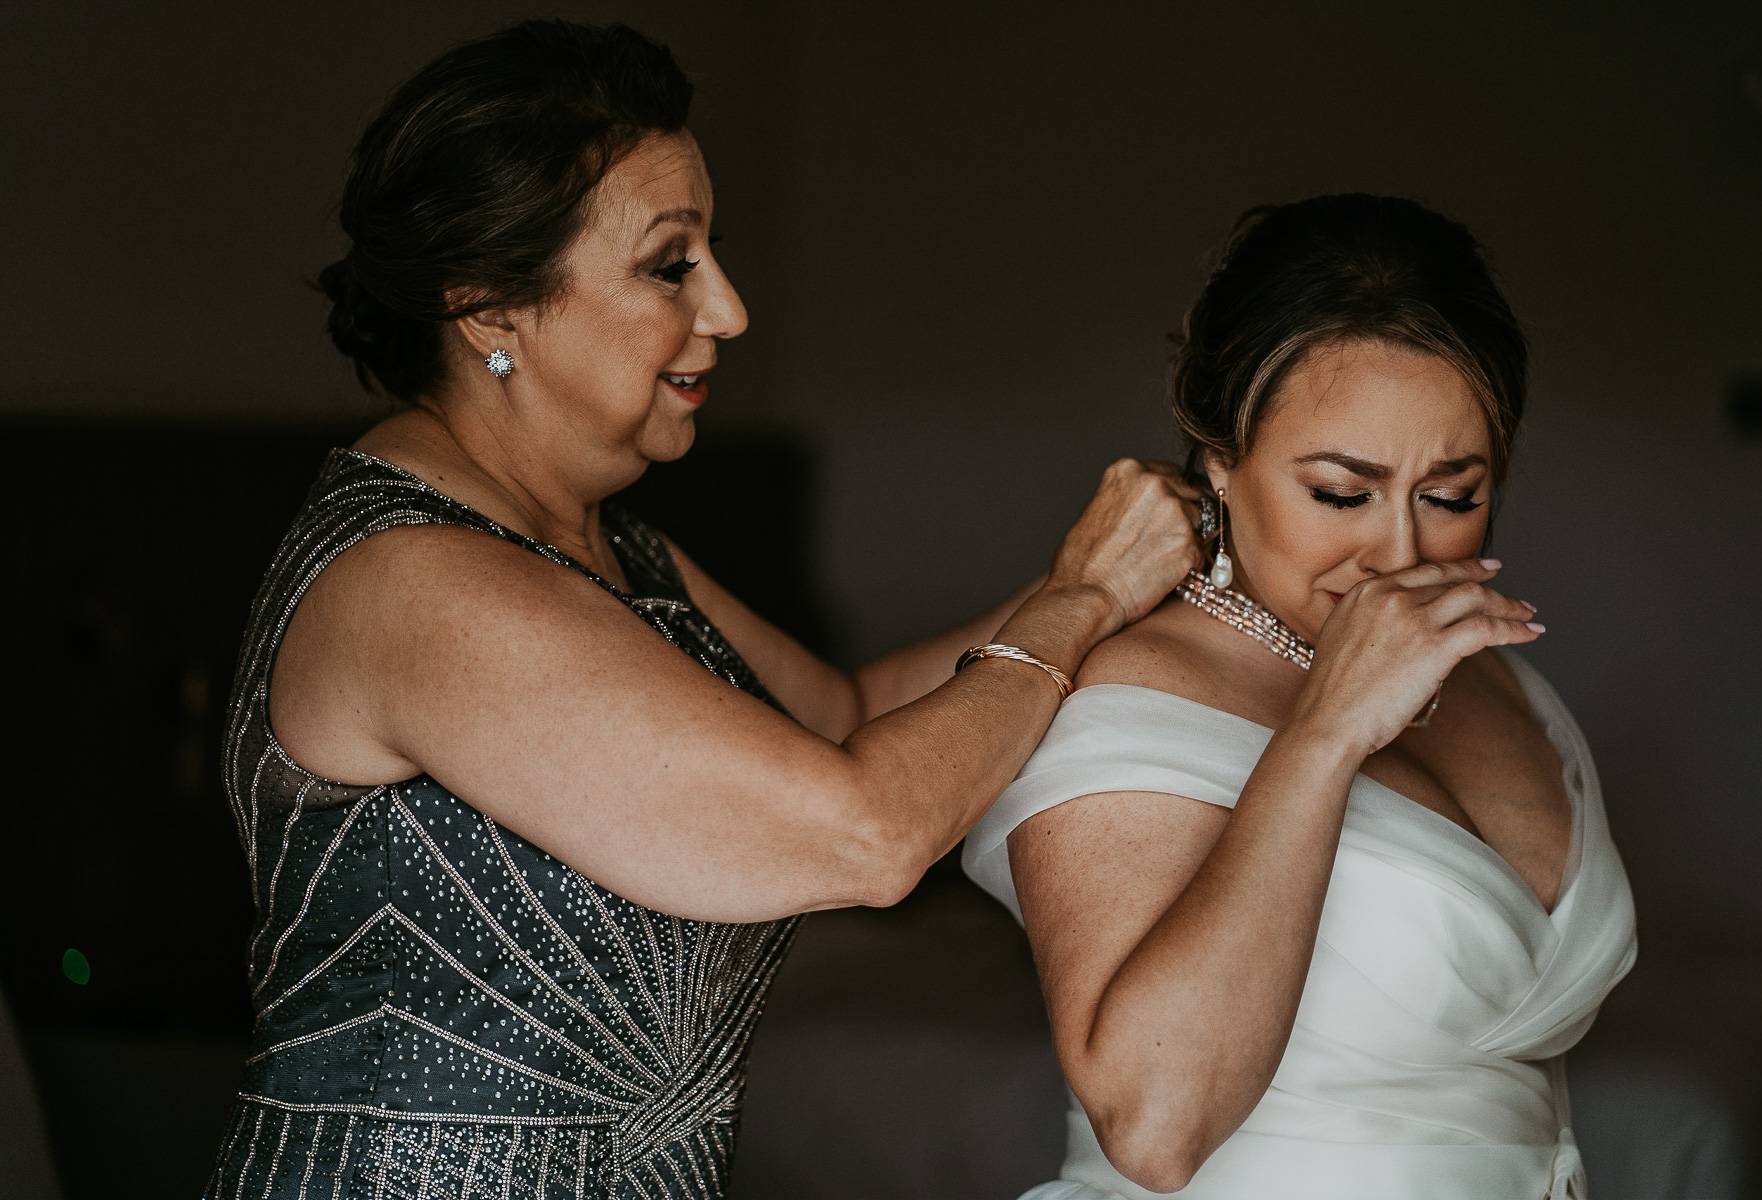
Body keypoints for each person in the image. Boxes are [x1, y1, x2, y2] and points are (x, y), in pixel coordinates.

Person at [204, 21, 1201, 1200]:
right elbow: (864, 828)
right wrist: (1083, 600)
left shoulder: (607, 543)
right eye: (670, 265)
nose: (726, 310)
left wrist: (1107, 579)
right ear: (487, 307)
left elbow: (850, 716)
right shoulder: (414, 580)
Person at [963, 194, 1637, 1200]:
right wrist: (1325, 734)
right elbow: (1153, 1126)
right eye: (1340, 493)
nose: (1400, 556)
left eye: (1452, 495)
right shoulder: (1126, 690)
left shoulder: (1503, 680)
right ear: (1222, 463)